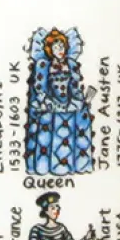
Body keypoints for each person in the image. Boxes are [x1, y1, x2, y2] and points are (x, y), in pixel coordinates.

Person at [25, 27, 95, 175]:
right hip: (50, 104)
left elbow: (74, 88)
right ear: (50, 49)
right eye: (56, 47)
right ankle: (46, 167)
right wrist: (48, 102)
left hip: (68, 105)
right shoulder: (43, 65)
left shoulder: (71, 65)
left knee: (75, 123)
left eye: (62, 46)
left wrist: (80, 101)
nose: (60, 50)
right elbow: (40, 89)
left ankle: (71, 165)